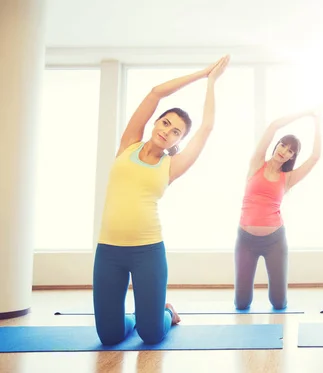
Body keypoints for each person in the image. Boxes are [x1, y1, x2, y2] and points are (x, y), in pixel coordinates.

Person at [93, 55, 230, 345]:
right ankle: (138, 316)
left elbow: (206, 128)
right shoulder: (129, 143)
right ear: (156, 122)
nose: (166, 131)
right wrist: (202, 71)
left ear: (177, 140)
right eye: (165, 123)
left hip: (148, 252)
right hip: (109, 251)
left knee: (152, 334)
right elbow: (156, 92)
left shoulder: (172, 166)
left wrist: (212, 83)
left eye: (175, 131)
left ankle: (165, 313)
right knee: (109, 336)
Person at [234, 109, 322, 310]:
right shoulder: (257, 164)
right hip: (245, 240)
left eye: (290, 150)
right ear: (277, 146)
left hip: (274, 241)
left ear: (291, 156)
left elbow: (315, 157)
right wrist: (304, 113)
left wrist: (316, 121)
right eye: (283, 145)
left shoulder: (288, 178)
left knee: (279, 302)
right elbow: (273, 126)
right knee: (241, 303)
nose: (284, 151)